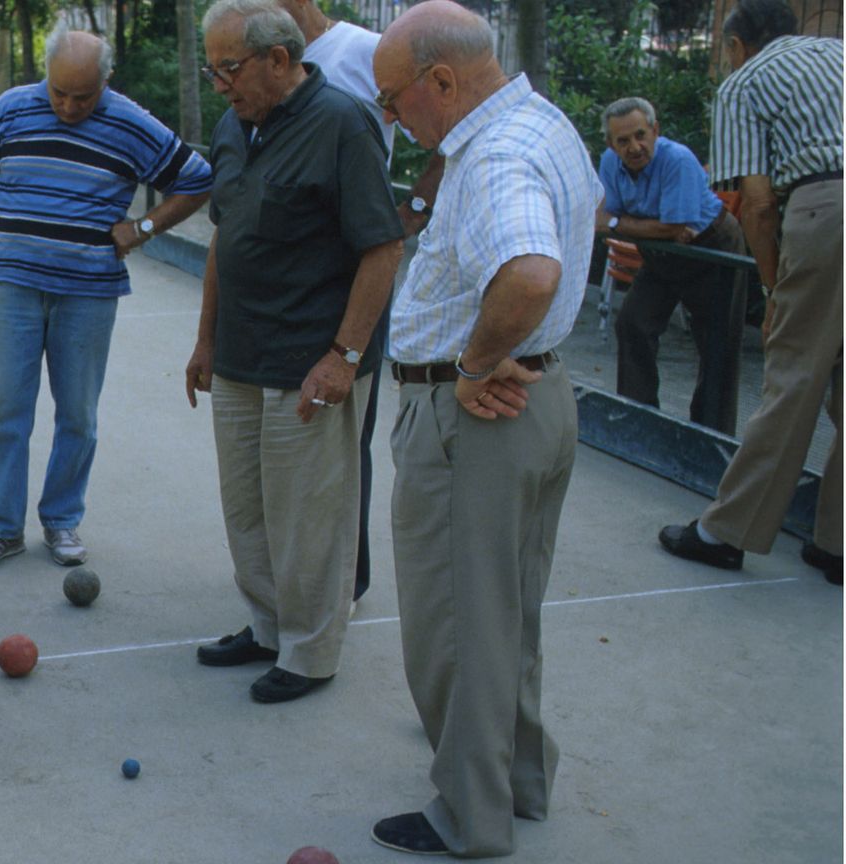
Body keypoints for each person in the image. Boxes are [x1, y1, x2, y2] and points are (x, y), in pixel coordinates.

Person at [369, 1, 598, 855]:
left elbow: (531, 272)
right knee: (508, 615)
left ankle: (470, 812)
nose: (392, 117)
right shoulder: (539, 123)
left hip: (479, 413)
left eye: (394, 98)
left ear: (441, 80)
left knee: (459, 624)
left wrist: (473, 365)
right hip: (538, 396)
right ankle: (517, 780)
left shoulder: (495, 154)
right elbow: (580, 224)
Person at [186, 0, 403, 704]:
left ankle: (310, 653)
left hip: (310, 361)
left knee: (309, 519)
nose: (220, 85)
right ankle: (268, 626)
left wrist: (344, 355)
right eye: (212, 71)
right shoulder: (233, 125)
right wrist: (206, 338)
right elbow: (224, 235)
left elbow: (382, 247)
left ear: (279, 60)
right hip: (240, 355)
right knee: (247, 508)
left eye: (229, 69)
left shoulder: (343, 122)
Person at [0, 28, 211, 571]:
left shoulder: (131, 123)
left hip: (89, 293)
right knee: (3, 411)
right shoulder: (9, 110)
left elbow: (196, 179)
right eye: (59, 93)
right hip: (14, 286)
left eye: (83, 96)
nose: (69, 107)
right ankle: (1, 527)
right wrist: (25, 231)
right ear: (45, 74)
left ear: (106, 81)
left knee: (78, 415)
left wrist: (142, 227)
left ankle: (61, 519)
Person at [657, 0, 842, 584]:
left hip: (828, 210)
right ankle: (836, 540)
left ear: (736, 45)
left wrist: (773, 289)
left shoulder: (745, 82)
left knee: (792, 379)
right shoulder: (840, 55)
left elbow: (758, 205)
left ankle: (725, 532)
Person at [274, 0, 446, 606]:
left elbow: (450, 134)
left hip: (353, 271)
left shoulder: (365, 53)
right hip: (283, 281)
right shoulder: (257, 59)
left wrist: (411, 212)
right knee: (287, 433)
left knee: (344, 435)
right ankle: (287, 576)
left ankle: (344, 581)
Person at [596, 96, 745, 428]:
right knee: (633, 323)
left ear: (655, 131)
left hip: (711, 246)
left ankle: (710, 432)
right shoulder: (609, 162)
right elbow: (606, 218)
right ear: (611, 144)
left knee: (717, 343)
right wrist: (657, 227)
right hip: (662, 253)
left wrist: (622, 223)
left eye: (640, 135)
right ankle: (638, 419)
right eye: (623, 140)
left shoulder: (677, 159)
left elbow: (669, 227)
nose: (634, 147)